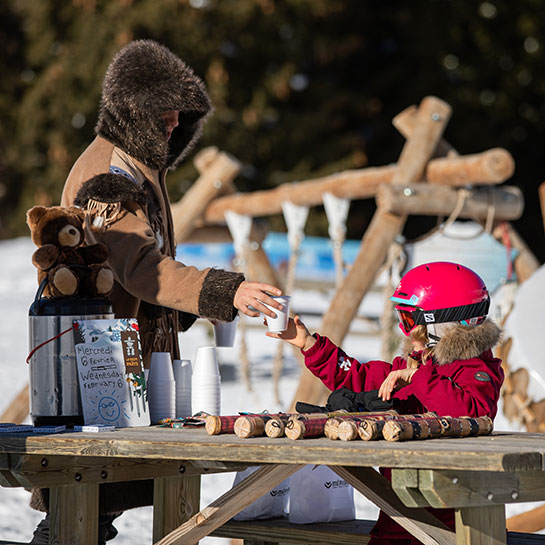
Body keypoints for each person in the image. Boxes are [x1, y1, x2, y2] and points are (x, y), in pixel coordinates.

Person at [29, 39, 283, 544]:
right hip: (100, 353)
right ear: (132, 111)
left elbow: (141, 272)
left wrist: (183, 312)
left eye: (178, 113)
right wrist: (222, 292)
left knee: (101, 501)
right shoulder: (109, 176)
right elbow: (141, 269)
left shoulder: (137, 166)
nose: (173, 122)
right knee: (84, 501)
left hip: (124, 347)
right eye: (163, 112)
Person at [267, 261, 504, 545]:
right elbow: (358, 379)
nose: (405, 332)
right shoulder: (413, 366)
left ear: (443, 325)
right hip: (398, 523)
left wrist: (418, 377)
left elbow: (473, 412)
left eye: (409, 321)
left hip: (449, 527)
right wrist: (310, 345)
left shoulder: (476, 371)